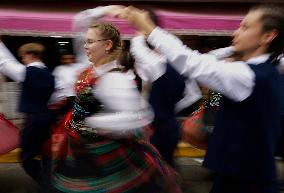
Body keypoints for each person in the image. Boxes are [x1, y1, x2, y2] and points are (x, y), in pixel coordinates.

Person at [120, 4, 284, 193]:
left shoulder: (247, 75)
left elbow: (191, 62)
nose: (236, 32)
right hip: (246, 174)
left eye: (245, 27)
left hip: (244, 181)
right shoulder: (270, 71)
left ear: (268, 36)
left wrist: (147, 29)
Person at [50, 6, 182, 193]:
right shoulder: (88, 64)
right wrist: (106, 9)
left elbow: (135, 118)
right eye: (85, 41)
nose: (84, 45)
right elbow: (81, 21)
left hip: (104, 152)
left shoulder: (116, 78)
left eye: (90, 42)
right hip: (82, 147)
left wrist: (91, 122)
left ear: (107, 45)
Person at [130, 10, 202, 166]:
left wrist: (142, 31)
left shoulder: (157, 64)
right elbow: (194, 95)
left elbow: (137, 48)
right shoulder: (181, 69)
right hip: (170, 124)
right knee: (167, 164)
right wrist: (172, 109)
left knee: (154, 166)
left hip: (156, 128)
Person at [0, 42, 55, 191]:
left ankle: (48, 186)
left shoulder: (27, 73)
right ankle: (51, 181)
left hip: (33, 119)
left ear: (30, 55)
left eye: (23, 57)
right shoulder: (49, 75)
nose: (22, 60)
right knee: (46, 153)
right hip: (46, 117)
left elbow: (4, 62)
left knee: (26, 158)